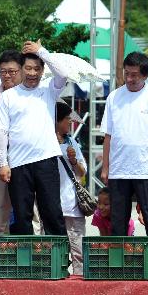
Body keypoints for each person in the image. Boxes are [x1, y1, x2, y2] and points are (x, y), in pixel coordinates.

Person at [101, 52, 148, 278]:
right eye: (127, 73)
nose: (130, 78)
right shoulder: (114, 97)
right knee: (118, 221)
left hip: (147, 168)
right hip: (119, 169)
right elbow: (108, 135)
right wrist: (106, 167)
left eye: (134, 75)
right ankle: (118, 263)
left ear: (145, 75)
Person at [0, 41, 68, 236]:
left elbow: (63, 73)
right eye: (28, 68)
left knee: (52, 212)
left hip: (46, 160)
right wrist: (3, 163)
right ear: (20, 69)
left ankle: (59, 261)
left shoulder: (48, 91)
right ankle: (26, 263)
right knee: (22, 216)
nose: (32, 73)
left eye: (37, 69)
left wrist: (41, 52)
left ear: (43, 70)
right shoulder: (8, 97)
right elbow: (1, 132)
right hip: (18, 164)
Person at [0, 51, 24, 234]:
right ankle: (2, 253)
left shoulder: (29, 95)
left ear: (21, 71)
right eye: (3, 71)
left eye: (12, 71)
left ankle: (35, 251)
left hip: (25, 154)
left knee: (30, 205)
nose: (7, 75)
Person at [55, 102, 87, 275]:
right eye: (67, 119)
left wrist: (74, 161)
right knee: (55, 253)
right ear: (58, 120)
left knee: (79, 253)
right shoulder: (44, 143)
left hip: (73, 207)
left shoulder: (72, 143)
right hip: (52, 208)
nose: (70, 123)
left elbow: (82, 172)